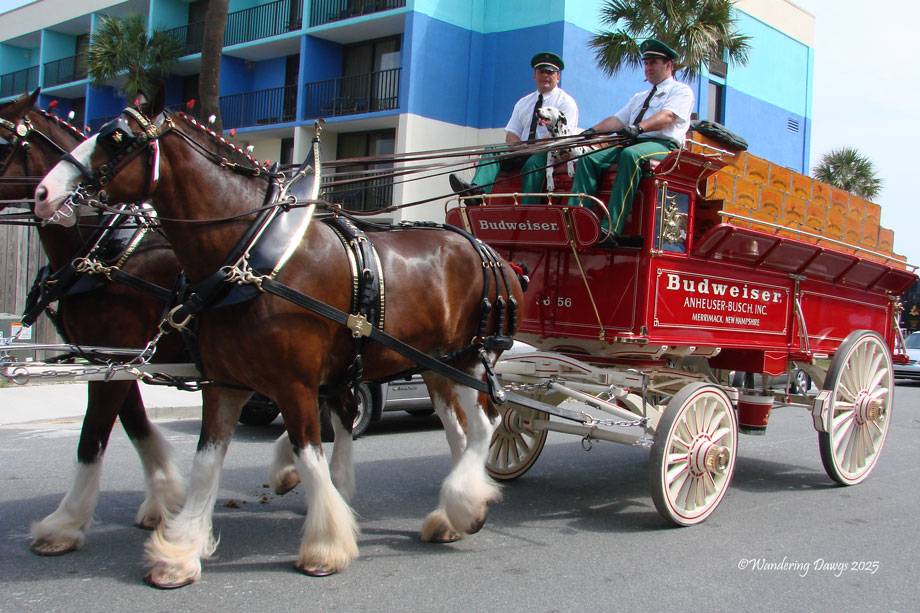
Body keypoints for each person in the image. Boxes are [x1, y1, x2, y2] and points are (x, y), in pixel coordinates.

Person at [569, 38, 694, 239]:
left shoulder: (680, 91)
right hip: (635, 142)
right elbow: (617, 120)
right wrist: (591, 132)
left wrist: (639, 128)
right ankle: (577, 221)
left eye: (653, 62)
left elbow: (667, 117)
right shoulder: (639, 96)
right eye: (646, 63)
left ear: (668, 65)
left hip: (665, 147)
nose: (648, 67)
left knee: (631, 155)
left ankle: (612, 228)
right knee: (589, 158)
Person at [450, 52, 578, 205]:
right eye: (541, 72)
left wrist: (532, 149)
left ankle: (527, 208)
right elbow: (512, 134)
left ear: (558, 77)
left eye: (550, 72)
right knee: (492, 150)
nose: (545, 75)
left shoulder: (565, 102)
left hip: (548, 152)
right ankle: (476, 192)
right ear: (534, 76)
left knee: (533, 165)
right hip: (522, 150)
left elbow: (562, 137)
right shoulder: (523, 103)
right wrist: (519, 150)